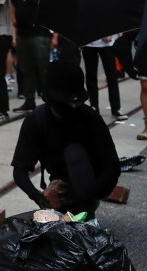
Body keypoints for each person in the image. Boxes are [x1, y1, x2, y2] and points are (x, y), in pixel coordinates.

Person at [10, 61, 119, 218]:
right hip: (58, 179)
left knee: (75, 153)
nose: (69, 109)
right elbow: (20, 170)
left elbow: (112, 166)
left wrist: (88, 192)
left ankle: (85, 204)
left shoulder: (90, 118)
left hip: (90, 180)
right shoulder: (37, 120)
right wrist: (38, 196)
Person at [9, 0, 48, 112]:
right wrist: (14, 27)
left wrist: (54, 35)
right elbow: (13, 5)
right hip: (22, 33)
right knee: (25, 69)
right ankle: (29, 100)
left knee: (44, 69)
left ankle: (50, 100)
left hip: (39, 34)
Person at [82, 34, 125, 120]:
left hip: (107, 44)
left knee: (112, 75)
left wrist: (111, 35)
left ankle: (116, 108)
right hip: (89, 44)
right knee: (91, 76)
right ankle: (94, 107)